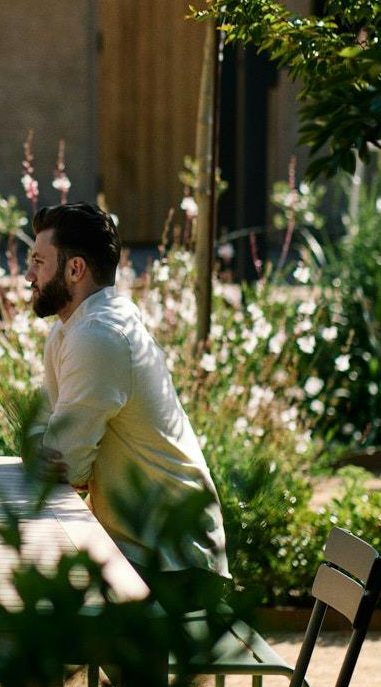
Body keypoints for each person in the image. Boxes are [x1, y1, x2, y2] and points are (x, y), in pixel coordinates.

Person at [27, 202, 230, 583]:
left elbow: (63, 465)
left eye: (39, 262)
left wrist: (60, 458)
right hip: (134, 549)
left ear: (75, 269)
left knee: (28, 590)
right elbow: (45, 445)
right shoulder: (71, 330)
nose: (28, 275)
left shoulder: (99, 336)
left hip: (174, 564)